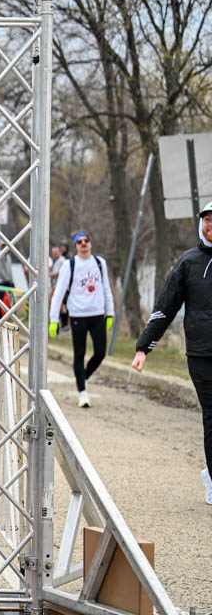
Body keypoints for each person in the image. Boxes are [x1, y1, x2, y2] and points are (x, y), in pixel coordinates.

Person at [132, 200, 212, 505]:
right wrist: (143, 348)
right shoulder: (188, 263)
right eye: (207, 220)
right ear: (201, 224)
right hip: (202, 355)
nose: (210, 226)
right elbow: (165, 308)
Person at [49, 230, 114, 408]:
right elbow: (59, 292)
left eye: (86, 241)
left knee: (100, 352)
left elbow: (106, 288)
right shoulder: (70, 265)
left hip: (97, 314)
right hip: (78, 315)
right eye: (79, 242)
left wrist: (111, 312)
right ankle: (83, 393)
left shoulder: (100, 263)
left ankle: (81, 377)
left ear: (91, 244)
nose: (83, 243)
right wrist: (54, 319)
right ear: (76, 246)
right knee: (79, 353)